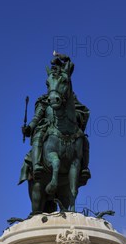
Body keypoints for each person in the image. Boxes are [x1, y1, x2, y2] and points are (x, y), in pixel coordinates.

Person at [20, 53, 90, 182]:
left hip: (70, 130)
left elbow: (81, 112)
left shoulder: (70, 99)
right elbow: (37, 117)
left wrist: (62, 57)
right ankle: (37, 166)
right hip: (49, 126)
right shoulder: (44, 101)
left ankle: (84, 168)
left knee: (83, 139)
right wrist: (29, 128)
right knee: (38, 135)